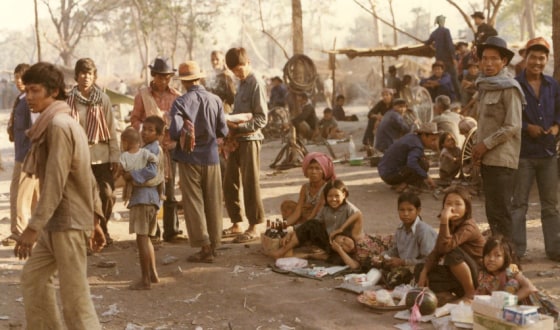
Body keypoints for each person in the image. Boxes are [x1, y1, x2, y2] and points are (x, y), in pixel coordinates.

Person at [15, 62, 106, 329]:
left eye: (35, 91)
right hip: (57, 222)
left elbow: (55, 182)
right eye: (27, 91)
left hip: (67, 221)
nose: (29, 97)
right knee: (33, 278)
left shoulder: (58, 125)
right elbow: (86, 176)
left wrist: (32, 227)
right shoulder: (54, 122)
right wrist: (95, 220)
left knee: (75, 299)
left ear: (53, 91)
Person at [169, 61, 228, 263]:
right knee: (213, 201)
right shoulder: (215, 100)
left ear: (184, 82)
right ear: (199, 77)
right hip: (211, 157)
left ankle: (204, 246)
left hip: (189, 157)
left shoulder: (180, 102)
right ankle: (215, 244)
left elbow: (175, 132)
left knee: (194, 202)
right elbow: (223, 130)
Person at [512, 37, 560, 261]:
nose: (537, 62)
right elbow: (509, 119)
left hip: (548, 154)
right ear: (525, 57)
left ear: (547, 60)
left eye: (542, 58)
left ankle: (554, 249)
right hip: (523, 154)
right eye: (533, 57)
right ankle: (517, 251)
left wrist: (556, 126)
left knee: (550, 205)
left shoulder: (553, 85)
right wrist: (526, 127)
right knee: (519, 205)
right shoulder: (515, 85)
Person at [471, 36, 524, 241]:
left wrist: (485, 145)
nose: (488, 63)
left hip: (502, 160)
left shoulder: (510, 88)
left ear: (504, 62)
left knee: (502, 212)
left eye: (494, 59)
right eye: (485, 58)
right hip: (486, 159)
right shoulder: (484, 86)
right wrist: (478, 150)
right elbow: (483, 125)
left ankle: (510, 261)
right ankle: (498, 258)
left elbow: (513, 125)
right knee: (492, 212)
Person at [130, 56, 185, 243]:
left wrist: (175, 142)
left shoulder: (176, 96)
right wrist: (146, 132)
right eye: (160, 76)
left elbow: (182, 124)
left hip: (169, 150)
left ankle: (172, 231)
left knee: (169, 191)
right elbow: (135, 119)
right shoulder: (142, 96)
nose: (164, 80)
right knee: (152, 191)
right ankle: (153, 233)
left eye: (167, 76)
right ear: (153, 75)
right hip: (150, 151)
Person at [67, 57, 119, 244]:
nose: (86, 77)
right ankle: (88, 233)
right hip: (78, 157)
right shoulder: (69, 100)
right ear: (76, 76)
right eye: (82, 73)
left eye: (89, 73)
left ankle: (103, 229)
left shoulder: (103, 99)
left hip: (101, 156)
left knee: (107, 195)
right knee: (82, 197)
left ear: (94, 75)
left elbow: (112, 129)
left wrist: (115, 156)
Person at [222, 47, 268, 243]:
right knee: (229, 181)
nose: (237, 73)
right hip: (236, 141)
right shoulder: (240, 83)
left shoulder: (255, 82)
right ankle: (236, 222)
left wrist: (239, 127)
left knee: (250, 183)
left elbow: (262, 118)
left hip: (250, 140)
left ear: (248, 62)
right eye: (234, 71)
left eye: (240, 69)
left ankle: (255, 224)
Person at [416, 186, 486, 304]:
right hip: (457, 273)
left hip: (475, 274)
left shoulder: (469, 227)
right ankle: (449, 296)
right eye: (448, 204)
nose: (452, 208)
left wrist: (444, 220)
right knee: (420, 268)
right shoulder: (450, 225)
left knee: (452, 253)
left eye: (458, 204)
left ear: (466, 208)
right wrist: (424, 271)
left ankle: (470, 295)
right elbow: (437, 250)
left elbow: (446, 248)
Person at [268, 179, 362, 263]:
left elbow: (358, 214)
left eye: (337, 196)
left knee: (340, 260)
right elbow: (313, 222)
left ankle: (316, 255)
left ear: (344, 194)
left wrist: (341, 229)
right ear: (325, 197)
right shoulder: (326, 209)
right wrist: (293, 231)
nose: (333, 199)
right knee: (312, 224)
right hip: (329, 240)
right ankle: (281, 252)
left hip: (342, 245)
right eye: (330, 196)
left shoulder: (348, 208)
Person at [121, 116, 164, 290]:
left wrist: (132, 175)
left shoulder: (151, 151)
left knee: (141, 238)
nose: (145, 132)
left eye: (150, 130)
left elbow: (152, 172)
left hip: (144, 198)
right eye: (143, 129)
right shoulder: (148, 149)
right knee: (146, 239)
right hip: (150, 198)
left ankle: (145, 279)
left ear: (159, 134)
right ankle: (152, 274)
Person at [3, 64, 39, 247]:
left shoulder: (30, 101)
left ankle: (19, 232)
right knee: (33, 196)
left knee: (20, 195)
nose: (18, 81)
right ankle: (38, 232)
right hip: (21, 153)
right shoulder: (21, 98)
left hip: (28, 155)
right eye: (16, 77)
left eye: (21, 78)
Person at [378, 122, 440, 193]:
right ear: (424, 136)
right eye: (432, 140)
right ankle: (404, 184)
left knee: (422, 160)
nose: (433, 143)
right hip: (390, 175)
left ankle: (402, 183)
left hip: (385, 172)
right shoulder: (417, 146)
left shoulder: (412, 137)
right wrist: (426, 177)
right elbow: (412, 163)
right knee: (423, 164)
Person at [476, 235, 537, 302]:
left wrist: (508, 302)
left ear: (505, 258)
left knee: (513, 283)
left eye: (497, 255)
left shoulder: (510, 270)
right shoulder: (484, 275)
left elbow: (530, 288)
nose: (491, 259)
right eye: (488, 255)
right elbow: (482, 297)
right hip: (500, 306)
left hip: (522, 305)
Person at [281, 152, 336, 226]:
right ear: (306, 171)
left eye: (317, 168)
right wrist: (283, 225)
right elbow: (298, 211)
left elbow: (317, 211)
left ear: (323, 172)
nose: (313, 172)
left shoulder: (327, 188)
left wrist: (301, 227)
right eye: (311, 168)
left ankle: (301, 228)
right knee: (287, 205)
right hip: (308, 215)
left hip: (320, 217)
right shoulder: (305, 187)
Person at [425, 15, 460, 98]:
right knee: (453, 78)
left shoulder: (434, 33)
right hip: (447, 60)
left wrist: (425, 42)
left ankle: (447, 97)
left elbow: (427, 42)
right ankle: (457, 97)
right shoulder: (446, 31)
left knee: (443, 78)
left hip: (439, 61)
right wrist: (454, 58)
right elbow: (450, 45)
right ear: (442, 22)